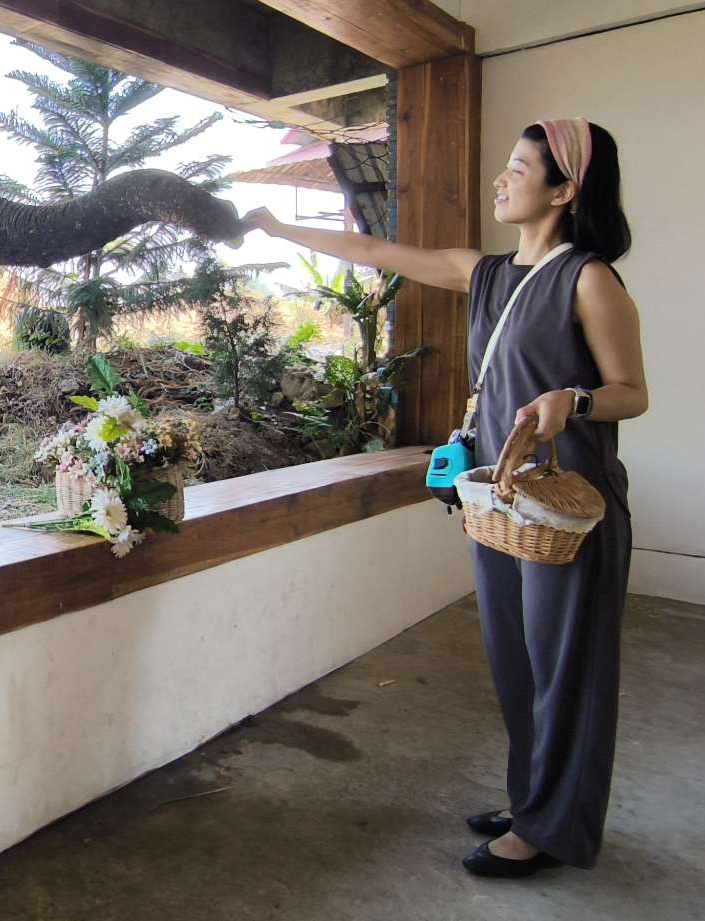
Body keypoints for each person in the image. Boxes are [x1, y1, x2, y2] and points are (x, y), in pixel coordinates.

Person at [249, 119, 647, 878]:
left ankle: (552, 828)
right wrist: (276, 225)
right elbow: (375, 251)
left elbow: (632, 393)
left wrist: (575, 400)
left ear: (564, 190)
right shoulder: (487, 273)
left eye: (519, 168)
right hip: (495, 500)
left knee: (567, 669)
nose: (501, 179)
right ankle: (532, 798)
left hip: (568, 506)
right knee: (515, 661)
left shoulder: (589, 278)